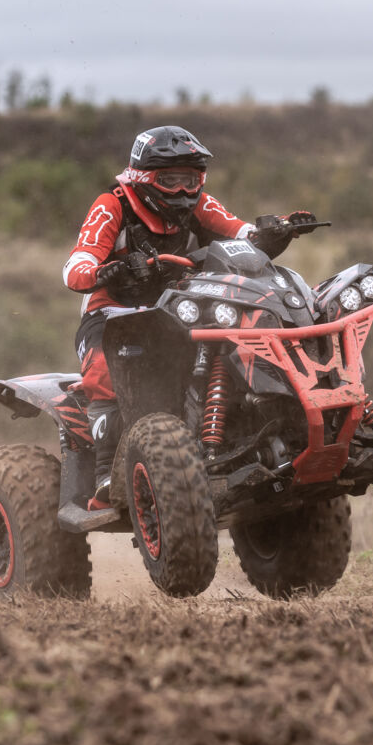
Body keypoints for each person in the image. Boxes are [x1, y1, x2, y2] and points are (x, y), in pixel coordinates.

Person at [62, 125, 317, 504]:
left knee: (241, 343)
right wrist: (105, 271)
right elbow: (75, 265)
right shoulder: (112, 204)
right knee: (104, 369)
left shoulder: (199, 204)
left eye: (191, 180)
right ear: (142, 177)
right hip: (113, 314)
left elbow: (241, 233)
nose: (183, 191)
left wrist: (278, 230)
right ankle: (105, 470)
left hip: (179, 309)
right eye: (170, 180)